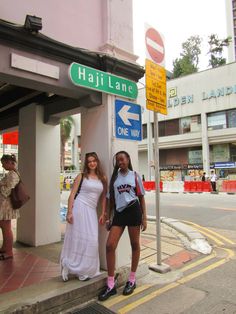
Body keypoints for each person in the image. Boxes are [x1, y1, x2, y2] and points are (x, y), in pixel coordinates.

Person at [98, 151, 147, 301]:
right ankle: (111, 284)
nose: (120, 162)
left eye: (122, 159)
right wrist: (108, 217)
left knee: (134, 244)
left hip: (133, 210)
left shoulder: (135, 176)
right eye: (118, 161)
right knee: (110, 245)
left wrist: (144, 218)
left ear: (128, 160)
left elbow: (141, 197)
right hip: (119, 213)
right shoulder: (114, 178)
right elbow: (110, 200)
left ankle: (132, 280)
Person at [60, 152, 107, 281]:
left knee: (91, 241)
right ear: (86, 163)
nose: (92, 163)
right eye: (89, 161)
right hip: (79, 208)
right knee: (77, 239)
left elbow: (104, 198)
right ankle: (67, 265)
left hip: (91, 211)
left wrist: (103, 213)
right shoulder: (81, 176)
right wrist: (69, 212)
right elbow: (72, 195)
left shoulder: (103, 177)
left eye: (94, 161)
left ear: (97, 162)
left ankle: (84, 269)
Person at [0, 154, 20, 260]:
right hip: (5, 206)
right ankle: (5, 248)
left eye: (3, 164)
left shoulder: (12, 175)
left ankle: (8, 252)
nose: (2, 166)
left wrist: (1, 186)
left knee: (6, 228)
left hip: (6, 206)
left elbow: (7, 191)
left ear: (8, 162)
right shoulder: (12, 173)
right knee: (4, 227)